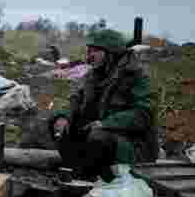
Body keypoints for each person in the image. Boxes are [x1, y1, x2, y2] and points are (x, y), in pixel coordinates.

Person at [50, 28, 158, 182]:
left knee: (98, 136)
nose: (89, 56)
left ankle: (98, 177)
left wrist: (105, 124)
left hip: (132, 145)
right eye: (88, 51)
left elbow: (143, 114)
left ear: (111, 53)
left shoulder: (136, 76)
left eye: (94, 51)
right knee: (61, 125)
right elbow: (75, 100)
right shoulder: (93, 75)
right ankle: (78, 172)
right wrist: (63, 118)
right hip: (100, 135)